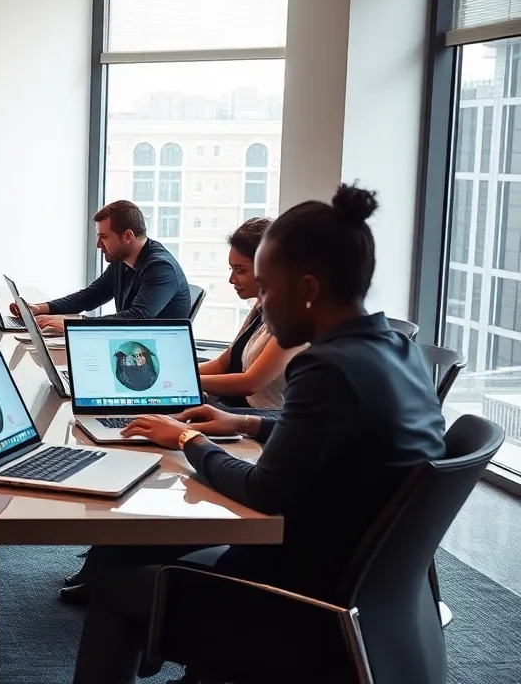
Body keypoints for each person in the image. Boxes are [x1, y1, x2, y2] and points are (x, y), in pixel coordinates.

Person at [69, 184, 446, 684]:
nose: (261, 306)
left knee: (116, 586)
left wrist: (184, 440)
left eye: (265, 288)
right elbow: (335, 435)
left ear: (308, 289)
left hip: (298, 598)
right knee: (138, 549)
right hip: (364, 591)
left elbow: (263, 490)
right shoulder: (399, 352)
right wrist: (244, 422)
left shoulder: (326, 366)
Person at [13, 201, 192, 336]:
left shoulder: (160, 267)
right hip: (132, 343)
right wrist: (38, 308)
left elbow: (137, 317)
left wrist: (74, 324)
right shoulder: (122, 261)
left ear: (128, 235)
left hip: (155, 358)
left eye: (104, 237)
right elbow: (90, 296)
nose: (99, 245)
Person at [197, 218, 302, 409]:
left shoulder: (293, 318)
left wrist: (185, 384)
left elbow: (251, 383)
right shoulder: (260, 306)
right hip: (228, 410)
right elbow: (223, 364)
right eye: (232, 269)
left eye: (240, 270)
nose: (231, 279)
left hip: (255, 422)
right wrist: (175, 375)